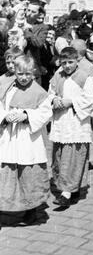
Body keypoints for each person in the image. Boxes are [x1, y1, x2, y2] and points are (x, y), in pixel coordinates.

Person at [0, 55, 52, 226]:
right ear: (14, 71)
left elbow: (46, 113)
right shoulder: (8, 88)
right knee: (8, 171)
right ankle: (7, 205)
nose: (23, 77)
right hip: (10, 136)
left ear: (33, 73)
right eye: (20, 73)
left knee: (28, 173)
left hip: (28, 138)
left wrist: (26, 115)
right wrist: (5, 117)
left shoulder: (39, 92)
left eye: (27, 74)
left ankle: (31, 209)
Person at [49, 47, 93, 208]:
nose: (67, 66)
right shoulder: (58, 75)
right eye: (64, 63)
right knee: (59, 157)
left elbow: (90, 99)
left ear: (77, 61)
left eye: (70, 62)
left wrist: (72, 102)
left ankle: (66, 192)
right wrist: (54, 99)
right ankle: (69, 188)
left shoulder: (84, 77)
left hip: (76, 122)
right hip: (61, 120)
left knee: (73, 156)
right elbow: (50, 92)